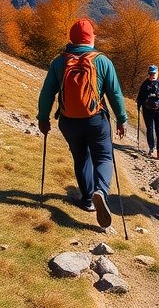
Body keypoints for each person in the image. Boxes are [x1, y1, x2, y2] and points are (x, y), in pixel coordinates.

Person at [36, 18, 127, 228]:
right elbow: (115, 93)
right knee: (103, 157)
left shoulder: (59, 62)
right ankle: (100, 191)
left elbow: (47, 93)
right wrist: (121, 119)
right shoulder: (102, 61)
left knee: (81, 157)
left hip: (69, 122)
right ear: (91, 37)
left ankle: (87, 200)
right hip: (96, 120)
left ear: (72, 38)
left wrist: (43, 118)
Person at [136, 64, 159, 159]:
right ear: (148, 74)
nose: (153, 75)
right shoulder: (145, 84)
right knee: (150, 129)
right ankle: (151, 148)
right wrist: (141, 104)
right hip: (147, 110)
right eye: (151, 74)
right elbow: (140, 98)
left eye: (154, 73)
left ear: (157, 73)